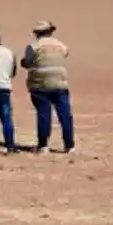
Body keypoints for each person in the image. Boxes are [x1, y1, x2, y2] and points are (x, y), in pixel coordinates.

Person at [21, 20, 76, 154]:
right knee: (65, 116)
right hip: (60, 84)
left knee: (44, 115)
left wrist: (24, 62)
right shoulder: (61, 45)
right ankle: (69, 145)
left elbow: (28, 62)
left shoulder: (34, 47)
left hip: (40, 85)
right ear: (51, 31)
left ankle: (43, 145)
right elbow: (65, 55)